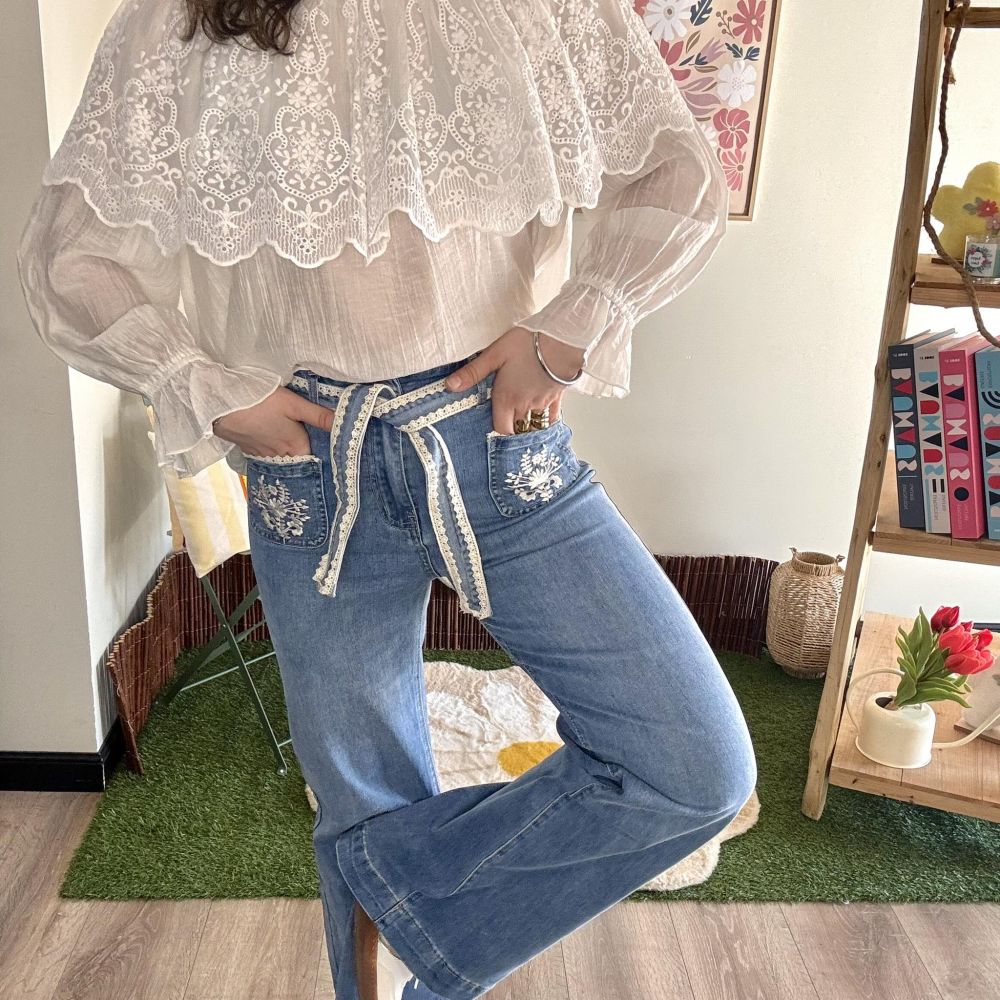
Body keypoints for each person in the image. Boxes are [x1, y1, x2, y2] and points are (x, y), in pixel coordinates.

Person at [16, 1, 758, 998]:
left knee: (693, 762)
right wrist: (201, 384)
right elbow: (72, 255)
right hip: (306, 461)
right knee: (365, 792)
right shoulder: (179, 19)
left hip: (495, 438)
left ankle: (375, 883)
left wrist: (572, 324)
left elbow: (677, 170)